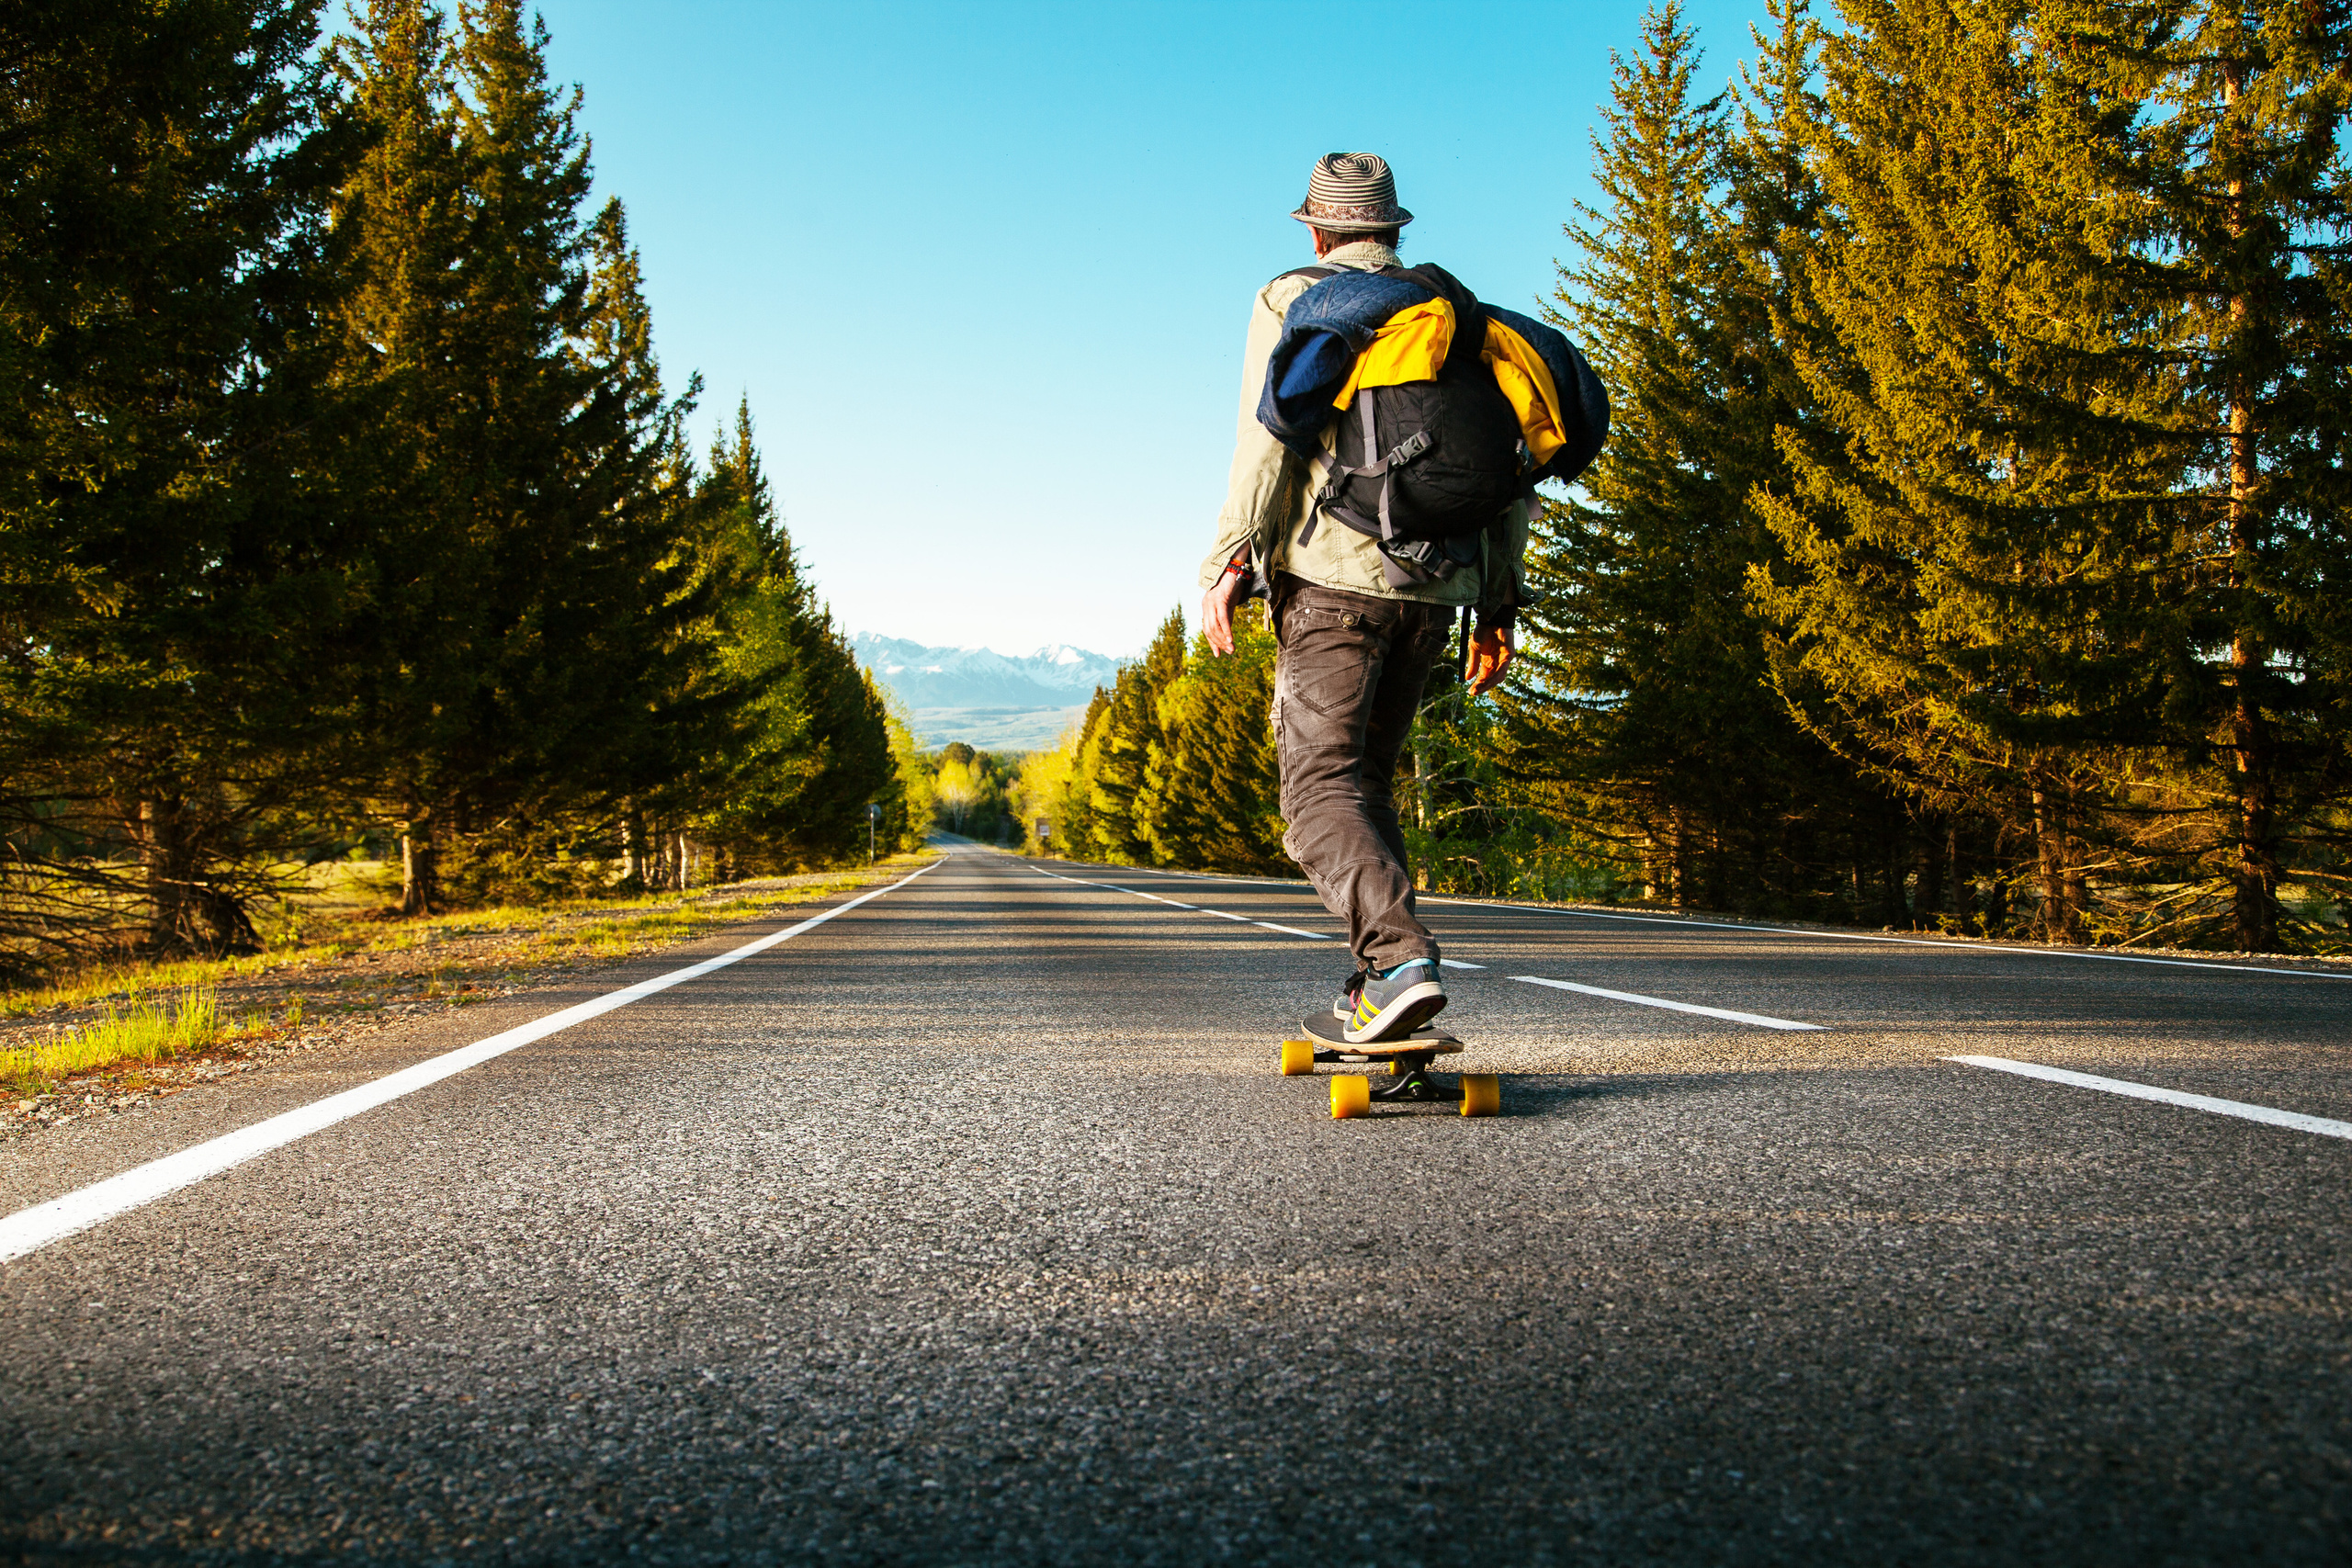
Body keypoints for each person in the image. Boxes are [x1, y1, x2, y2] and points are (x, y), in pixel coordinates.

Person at [1198, 152, 1525, 1044]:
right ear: (1392, 228)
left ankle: (1401, 962)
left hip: (1334, 585)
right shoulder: (1455, 316)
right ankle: (1376, 984)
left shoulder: (1294, 299)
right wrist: (1499, 601)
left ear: (1315, 228)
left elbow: (1265, 441)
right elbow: (1510, 469)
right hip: (1437, 594)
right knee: (1364, 789)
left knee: (1315, 796)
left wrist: (1227, 560)